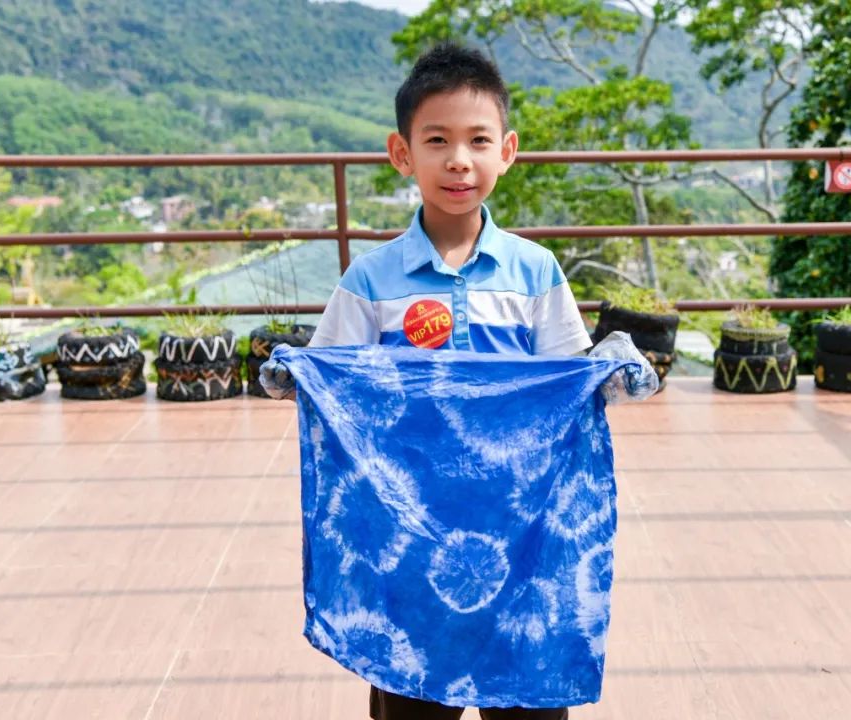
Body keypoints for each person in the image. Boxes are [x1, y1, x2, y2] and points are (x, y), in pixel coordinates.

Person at [261, 42, 657, 720]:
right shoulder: (371, 281)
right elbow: (332, 381)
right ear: (402, 153)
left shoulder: (535, 273)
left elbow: (570, 384)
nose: (458, 160)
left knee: (526, 698)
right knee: (412, 699)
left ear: (507, 151)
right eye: (437, 140)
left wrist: (614, 371)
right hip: (410, 543)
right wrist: (292, 372)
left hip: (523, 540)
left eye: (478, 140)